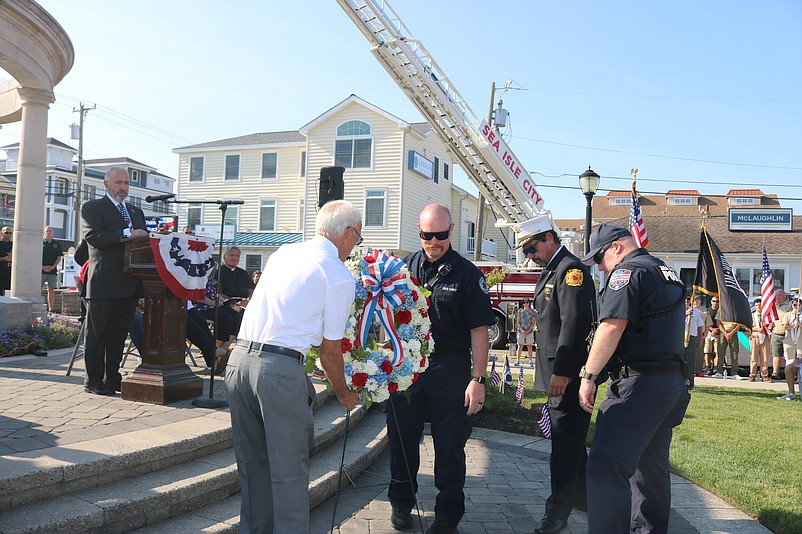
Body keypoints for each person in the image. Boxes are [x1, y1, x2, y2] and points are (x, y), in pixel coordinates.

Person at [225, 199, 361, 533]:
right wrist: (344, 393)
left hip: (239, 361)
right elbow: (330, 351)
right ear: (348, 233)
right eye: (358, 238)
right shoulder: (339, 275)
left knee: (253, 467)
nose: (356, 245)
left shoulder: (283, 252)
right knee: (288, 473)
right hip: (278, 371)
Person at [387, 203, 494, 534]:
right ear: (418, 231)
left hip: (449, 367)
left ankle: (447, 516)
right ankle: (402, 502)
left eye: (441, 235)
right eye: (427, 235)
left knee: (449, 445)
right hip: (409, 367)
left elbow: (480, 330)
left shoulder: (467, 274)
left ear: (451, 231)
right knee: (402, 439)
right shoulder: (404, 269)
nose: (434, 242)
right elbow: (389, 316)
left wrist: (477, 379)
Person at [577, 223, 690, 534]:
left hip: (638, 386)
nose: (599, 266)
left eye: (599, 258)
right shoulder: (664, 270)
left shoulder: (627, 273)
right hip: (668, 385)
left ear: (617, 247)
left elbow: (612, 327)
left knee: (604, 468)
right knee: (649, 472)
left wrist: (589, 375)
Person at [518, 214, 595, 534]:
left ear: (550, 238)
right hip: (556, 369)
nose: (530, 257)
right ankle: (585, 498)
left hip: (565, 373)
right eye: (526, 252)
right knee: (570, 441)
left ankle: (557, 512)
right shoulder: (553, 270)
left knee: (564, 443)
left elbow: (574, 326)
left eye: (532, 249)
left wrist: (563, 374)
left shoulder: (570, 271)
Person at [81, 166, 148, 395]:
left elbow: (143, 246)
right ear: (106, 184)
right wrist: (128, 234)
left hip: (129, 284)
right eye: (119, 183)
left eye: (126, 183)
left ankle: (113, 379)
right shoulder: (92, 208)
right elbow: (94, 237)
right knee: (98, 335)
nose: (123, 187)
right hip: (103, 284)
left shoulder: (136, 212)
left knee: (118, 336)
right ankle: (94, 380)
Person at [777, 297, 801, 400]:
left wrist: (799, 324)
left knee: (799, 365)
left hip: (800, 341)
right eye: (794, 305)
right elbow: (784, 326)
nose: (795, 307)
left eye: (798, 305)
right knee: (789, 366)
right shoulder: (788, 315)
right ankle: (791, 392)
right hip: (790, 341)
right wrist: (792, 326)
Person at [769, 288, 792, 380]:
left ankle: (790, 374)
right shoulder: (773, 305)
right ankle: (775, 372)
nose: (775, 298)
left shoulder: (791, 305)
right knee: (776, 354)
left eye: (777, 296)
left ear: (782, 296)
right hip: (776, 333)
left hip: (788, 334)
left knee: (789, 355)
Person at [41, 225, 64, 312]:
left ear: (53, 232)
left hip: (52, 270)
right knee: (39, 288)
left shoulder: (57, 244)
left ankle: (51, 308)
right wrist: (42, 267)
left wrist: (53, 267)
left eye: (50, 231)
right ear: (44, 232)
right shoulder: (40, 242)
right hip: (41, 270)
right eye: (47, 231)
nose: (49, 232)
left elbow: (59, 257)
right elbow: (36, 256)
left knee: (51, 289)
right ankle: (38, 306)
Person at [683, 293, 704, 385]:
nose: (687, 301)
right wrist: (685, 314)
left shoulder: (695, 311)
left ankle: (689, 381)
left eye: (689, 299)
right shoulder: (678, 310)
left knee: (690, 361)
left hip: (692, 337)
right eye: (686, 299)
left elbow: (700, 327)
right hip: (681, 337)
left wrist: (700, 340)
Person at [749, 298, 771, 382]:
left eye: (760, 305)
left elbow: (770, 326)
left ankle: (764, 375)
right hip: (755, 337)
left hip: (765, 337)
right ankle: (752, 374)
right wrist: (758, 329)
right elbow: (749, 327)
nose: (758, 307)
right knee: (753, 357)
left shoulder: (767, 316)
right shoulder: (752, 315)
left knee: (765, 358)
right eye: (756, 305)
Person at [702, 296, 720, 375]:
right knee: (707, 351)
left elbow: (722, 323)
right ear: (711, 302)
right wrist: (712, 330)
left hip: (718, 333)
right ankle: (708, 367)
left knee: (717, 352)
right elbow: (705, 323)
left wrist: (717, 330)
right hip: (708, 333)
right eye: (714, 301)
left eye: (717, 301)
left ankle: (716, 367)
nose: (715, 303)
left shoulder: (721, 311)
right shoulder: (707, 311)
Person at [516, 299, 536, 366]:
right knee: (520, 345)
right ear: (523, 304)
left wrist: (528, 330)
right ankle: (517, 360)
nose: (526, 304)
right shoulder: (520, 312)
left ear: (529, 303)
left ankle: (530, 361)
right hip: (521, 331)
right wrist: (522, 330)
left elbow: (533, 323)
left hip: (529, 331)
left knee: (529, 346)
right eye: (524, 302)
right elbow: (518, 322)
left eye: (527, 302)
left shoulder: (532, 312)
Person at [0, 226, 12, 296]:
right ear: (1, 233)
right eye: (6, 233)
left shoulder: (14, 244)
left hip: (10, 270)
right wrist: (4, 258)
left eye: (10, 233)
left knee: (9, 291)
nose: (8, 234)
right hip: (1, 269)